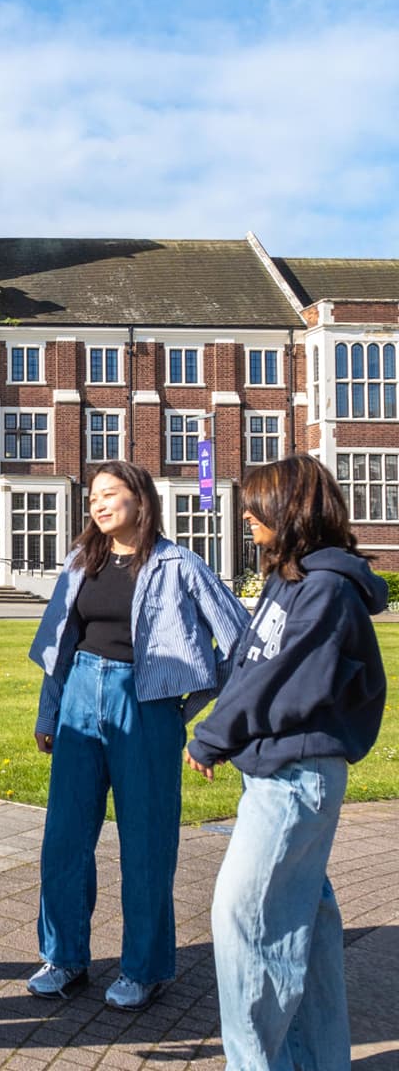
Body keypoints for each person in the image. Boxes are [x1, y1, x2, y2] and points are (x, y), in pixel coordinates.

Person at [186, 455, 387, 1069]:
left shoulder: (324, 589)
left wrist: (212, 736)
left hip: (295, 780)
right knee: (306, 929)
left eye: (257, 506)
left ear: (292, 512)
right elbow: (249, 662)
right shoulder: (295, 579)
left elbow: (280, 680)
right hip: (276, 775)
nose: (245, 515)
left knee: (245, 924)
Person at [26, 460, 249, 1010]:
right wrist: (48, 713)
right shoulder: (82, 563)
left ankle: (144, 968)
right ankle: (65, 958)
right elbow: (59, 647)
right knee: (65, 840)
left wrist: (187, 704)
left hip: (145, 707)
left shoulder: (179, 564)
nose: (99, 505)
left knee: (146, 845)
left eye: (110, 494)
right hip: (80, 696)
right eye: (94, 498)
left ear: (139, 499)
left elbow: (242, 641)